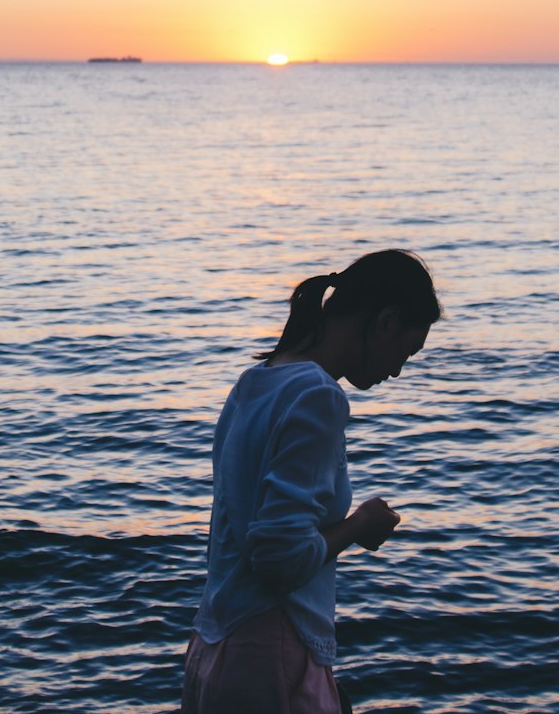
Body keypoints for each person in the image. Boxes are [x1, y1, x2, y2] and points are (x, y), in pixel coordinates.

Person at [182, 249, 442, 714]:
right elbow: (279, 559)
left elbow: (241, 534)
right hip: (269, 657)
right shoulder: (318, 396)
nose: (398, 370)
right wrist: (360, 525)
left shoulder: (255, 381)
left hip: (214, 647)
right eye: (406, 351)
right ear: (385, 321)